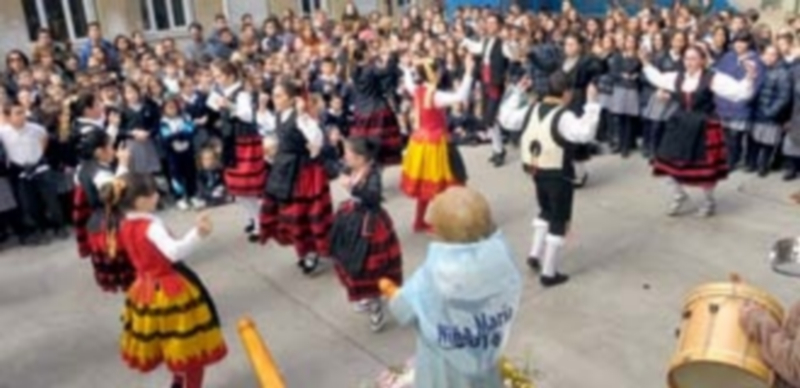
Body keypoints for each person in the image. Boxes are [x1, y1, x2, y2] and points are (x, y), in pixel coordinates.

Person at [387, 187, 522, 388]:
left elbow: (403, 310)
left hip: (443, 373)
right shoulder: (499, 259)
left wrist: (394, 293)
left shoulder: (434, 275)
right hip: (484, 357)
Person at [108, 173, 226, 388]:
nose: (157, 196)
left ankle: (178, 379)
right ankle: (187, 382)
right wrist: (198, 233)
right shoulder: (151, 226)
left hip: (144, 289)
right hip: (170, 290)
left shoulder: (123, 223)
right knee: (189, 346)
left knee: (166, 340)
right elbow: (174, 253)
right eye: (153, 193)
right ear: (140, 201)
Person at [500, 72, 601, 287]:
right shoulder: (563, 116)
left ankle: (535, 254)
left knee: (545, 209)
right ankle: (549, 272)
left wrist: (517, 92)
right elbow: (584, 134)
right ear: (567, 93)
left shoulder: (532, 108)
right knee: (558, 219)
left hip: (535, 171)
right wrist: (592, 104)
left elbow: (505, 118)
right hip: (558, 174)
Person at [641, 45, 757, 217]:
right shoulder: (676, 77)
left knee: (704, 170)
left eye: (694, 58)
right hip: (679, 124)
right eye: (687, 58)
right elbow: (657, 78)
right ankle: (679, 195)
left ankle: (709, 202)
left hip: (703, 126)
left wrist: (749, 77)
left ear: (702, 60)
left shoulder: (713, 78)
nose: (689, 62)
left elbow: (740, 93)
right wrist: (645, 62)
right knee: (666, 162)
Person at [259, 80, 333, 275]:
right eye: (274, 95)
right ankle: (304, 251)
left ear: (292, 99)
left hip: (303, 173)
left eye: (279, 95)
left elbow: (317, 139)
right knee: (289, 216)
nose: (275, 99)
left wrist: (302, 114)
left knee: (304, 215)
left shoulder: (302, 117)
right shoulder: (277, 115)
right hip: (284, 169)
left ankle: (312, 253)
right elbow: (275, 133)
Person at [329, 138, 402, 332]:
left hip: (370, 224)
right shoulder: (352, 168)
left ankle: (376, 304)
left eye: (348, 153)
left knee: (370, 266)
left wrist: (352, 187)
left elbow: (373, 197)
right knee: (349, 260)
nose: (344, 157)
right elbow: (330, 165)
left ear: (361, 158)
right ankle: (367, 297)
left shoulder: (373, 174)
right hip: (352, 218)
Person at [399, 55, 473, 233]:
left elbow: (408, 81)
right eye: (438, 70)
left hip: (419, 142)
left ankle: (419, 221)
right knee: (447, 181)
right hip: (436, 143)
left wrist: (406, 68)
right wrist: (469, 72)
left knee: (426, 183)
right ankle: (448, 221)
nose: (440, 73)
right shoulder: (436, 95)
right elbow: (460, 96)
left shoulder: (417, 90)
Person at [72, 129, 135, 292]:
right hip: (111, 223)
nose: (114, 150)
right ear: (99, 151)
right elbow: (116, 193)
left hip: (98, 221)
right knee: (133, 273)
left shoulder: (83, 168)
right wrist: (123, 164)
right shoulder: (100, 174)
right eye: (111, 146)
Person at [210, 60, 265, 241]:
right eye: (215, 76)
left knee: (246, 187)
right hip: (231, 141)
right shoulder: (223, 92)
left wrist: (229, 105)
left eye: (219, 76)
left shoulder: (241, 93)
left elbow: (248, 116)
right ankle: (252, 217)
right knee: (236, 187)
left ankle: (260, 223)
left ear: (230, 75)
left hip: (244, 141)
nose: (216, 80)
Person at [0, 100, 68, 244]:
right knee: (29, 204)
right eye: (17, 114)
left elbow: (44, 139)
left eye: (22, 112)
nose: (22, 116)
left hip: (40, 168)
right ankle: (39, 229)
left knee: (51, 200)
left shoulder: (36, 128)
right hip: (20, 171)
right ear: (8, 117)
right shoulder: (3, 133)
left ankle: (59, 226)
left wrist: (38, 156)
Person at [461, 13, 514, 167]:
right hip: (485, 83)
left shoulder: (502, 43)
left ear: (499, 26)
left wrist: (511, 41)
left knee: (490, 118)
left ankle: (499, 150)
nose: (490, 25)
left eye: (493, 22)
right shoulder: (485, 41)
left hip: (495, 84)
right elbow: (476, 48)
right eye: (488, 22)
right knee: (487, 118)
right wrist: (464, 40)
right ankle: (497, 149)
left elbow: (511, 53)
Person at [347, 40, 404, 167]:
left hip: (360, 110)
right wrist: (391, 56)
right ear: (365, 53)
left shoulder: (354, 70)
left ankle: (365, 165)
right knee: (379, 143)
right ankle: (374, 165)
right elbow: (387, 71)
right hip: (375, 109)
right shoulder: (370, 69)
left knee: (364, 142)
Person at [159, 98, 200, 210]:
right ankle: (180, 197)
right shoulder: (163, 122)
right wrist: (179, 134)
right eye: (169, 107)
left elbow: (191, 131)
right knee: (176, 175)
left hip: (187, 151)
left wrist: (178, 134)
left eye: (174, 106)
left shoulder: (184, 118)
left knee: (191, 173)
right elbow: (166, 137)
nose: (172, 109)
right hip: (173, 153)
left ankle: (192, 195)